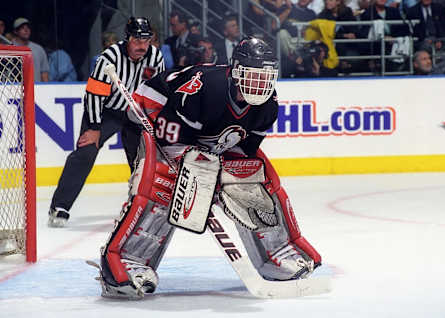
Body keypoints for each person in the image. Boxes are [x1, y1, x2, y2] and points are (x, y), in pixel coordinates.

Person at [92, 37, 322, 299]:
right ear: (236, 72)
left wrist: (225, 175)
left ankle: (277, 252)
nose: (260, 84)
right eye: (253, 75)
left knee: (250, 178)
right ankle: (126, 260)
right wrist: (196, 169)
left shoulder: (268, 106)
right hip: (153, 112)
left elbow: (243, 150)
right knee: (167, 184)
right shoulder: (206, 89)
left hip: (202, 134)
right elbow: (170, 139)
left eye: (265, 77)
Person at [48, 17, 165, 227]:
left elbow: (157, 92)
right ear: (127, 38)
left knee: (142, 158)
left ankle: (140, 204)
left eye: (146, 40)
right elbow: (94, 95)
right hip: (106, 112)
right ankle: (60, 206)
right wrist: (94, 128)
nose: (142, 45)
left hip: (136, 113)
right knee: (86, 151)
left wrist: (154, 120)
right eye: (137, 40)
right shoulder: (109, 57)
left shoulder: (155, 57)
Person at [11, 17, 49, 82]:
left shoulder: (38, 49)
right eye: (22, 28)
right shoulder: (9, 48)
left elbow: (44, 73)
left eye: (28, 27)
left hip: (36, 89)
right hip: (14, 90)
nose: (26, 30)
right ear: (15, 31)